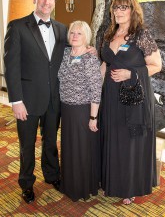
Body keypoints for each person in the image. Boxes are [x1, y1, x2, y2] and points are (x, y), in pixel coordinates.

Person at [4, 0, 68, 203]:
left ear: (54, 2)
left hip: (54, 99)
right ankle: (26, 183)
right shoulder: (18, 26)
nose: (46, 2)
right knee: (27, 144)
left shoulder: (62, 29)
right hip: (27, 100)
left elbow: (69, 57)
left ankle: (52, 175)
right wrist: (16, 101)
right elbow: (11, 67)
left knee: (51, 141)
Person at [99, 0, 162, 204]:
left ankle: (130, 186)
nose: (118, 11)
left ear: (132, 10)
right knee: (113, 138)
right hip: (110, 97)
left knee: (129, 142)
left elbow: (156, 65)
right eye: (116, 8)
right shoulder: (110, 35)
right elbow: (105, 65)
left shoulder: (141, 35)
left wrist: (131, 74)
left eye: (123, 7)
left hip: (133, 97)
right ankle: (113, 181)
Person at [58, 21, 103, 202]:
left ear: (87, 37)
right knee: (69, 148)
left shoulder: (90, 58)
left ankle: (82, 187)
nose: (75, 36)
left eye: (79, 33)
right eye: (72, 33)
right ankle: (69, 184)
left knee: (81, 149)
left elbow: (96, 90)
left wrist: (93, 117)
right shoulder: (65, 53)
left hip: (82, 111)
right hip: (66, 109)